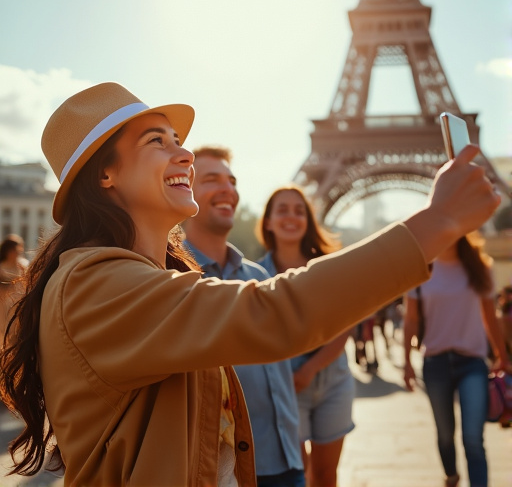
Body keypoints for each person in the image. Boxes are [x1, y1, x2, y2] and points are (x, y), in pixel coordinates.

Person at [0, 82, 500, 486]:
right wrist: (437, 223)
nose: (185, 154)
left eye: (178, 140)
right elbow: (273, 312)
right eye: (157, 141)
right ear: (104, 174)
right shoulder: (96, 284)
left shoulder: (137, 280)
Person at [182, 145, 305, 487]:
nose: (228, 189)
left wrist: (296, 446)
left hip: (287, 461)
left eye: (232, 180)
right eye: (211, 179)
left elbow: (280, 374)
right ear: (184, 192)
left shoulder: (261, 278)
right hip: (224, 472)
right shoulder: (173, 282)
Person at [257, 186, 355, 487]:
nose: (291, 216)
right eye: (282, 210)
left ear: (308, 222)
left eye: (299, 211)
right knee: (297, 473)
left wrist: (310, 369)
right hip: (284, 384)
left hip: (332, 378)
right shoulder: (254, 275)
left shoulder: (329, 267)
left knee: (326, 476)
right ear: (269, 222)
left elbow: (346, 323)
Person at [403, 235, 511, 487]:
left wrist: (501, 356)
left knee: (473, 437)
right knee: (444, 435)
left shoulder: (479, 267)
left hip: (472, 363)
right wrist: (406, 361)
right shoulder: (421, 267)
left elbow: (489, 316)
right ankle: (451, 476)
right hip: (434, 363)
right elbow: (411, 320)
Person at [0, 234, 27, 348]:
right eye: (14, 250)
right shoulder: (1, 267)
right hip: (3, 305)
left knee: (16, 333)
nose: (16, 253)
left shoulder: (24, 265)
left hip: (19, 304)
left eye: (18, 250)